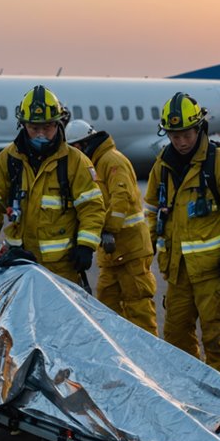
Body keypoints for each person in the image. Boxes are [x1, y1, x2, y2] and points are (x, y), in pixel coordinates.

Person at [143, 93, 220, 377]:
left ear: (199, 128)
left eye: (186, 133)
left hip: (212, 272)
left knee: (216, 340)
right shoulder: (162, 167)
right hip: (177, 273)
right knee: (176, 340)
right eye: (174, 135)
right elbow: (152, 210)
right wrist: (147, 245)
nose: (181, 141)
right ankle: (189, 400)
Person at [0, 86, 105, 284]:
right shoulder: (8, 159)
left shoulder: (75, 162)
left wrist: (86, 245)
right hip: (19, 266)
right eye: (34, 128)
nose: (41, 134)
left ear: (58, 124)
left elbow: (92, 208)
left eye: (47, 127)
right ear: (23, 125)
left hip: (62, 270)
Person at [64, 119, 157, 335]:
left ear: (83, 144)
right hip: (111, 254)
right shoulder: (93, 164)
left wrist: (109, 230)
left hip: (131, 251)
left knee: (138, 309)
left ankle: (148, 362)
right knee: (107, 310)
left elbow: (120, 197)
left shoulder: (111, 160)